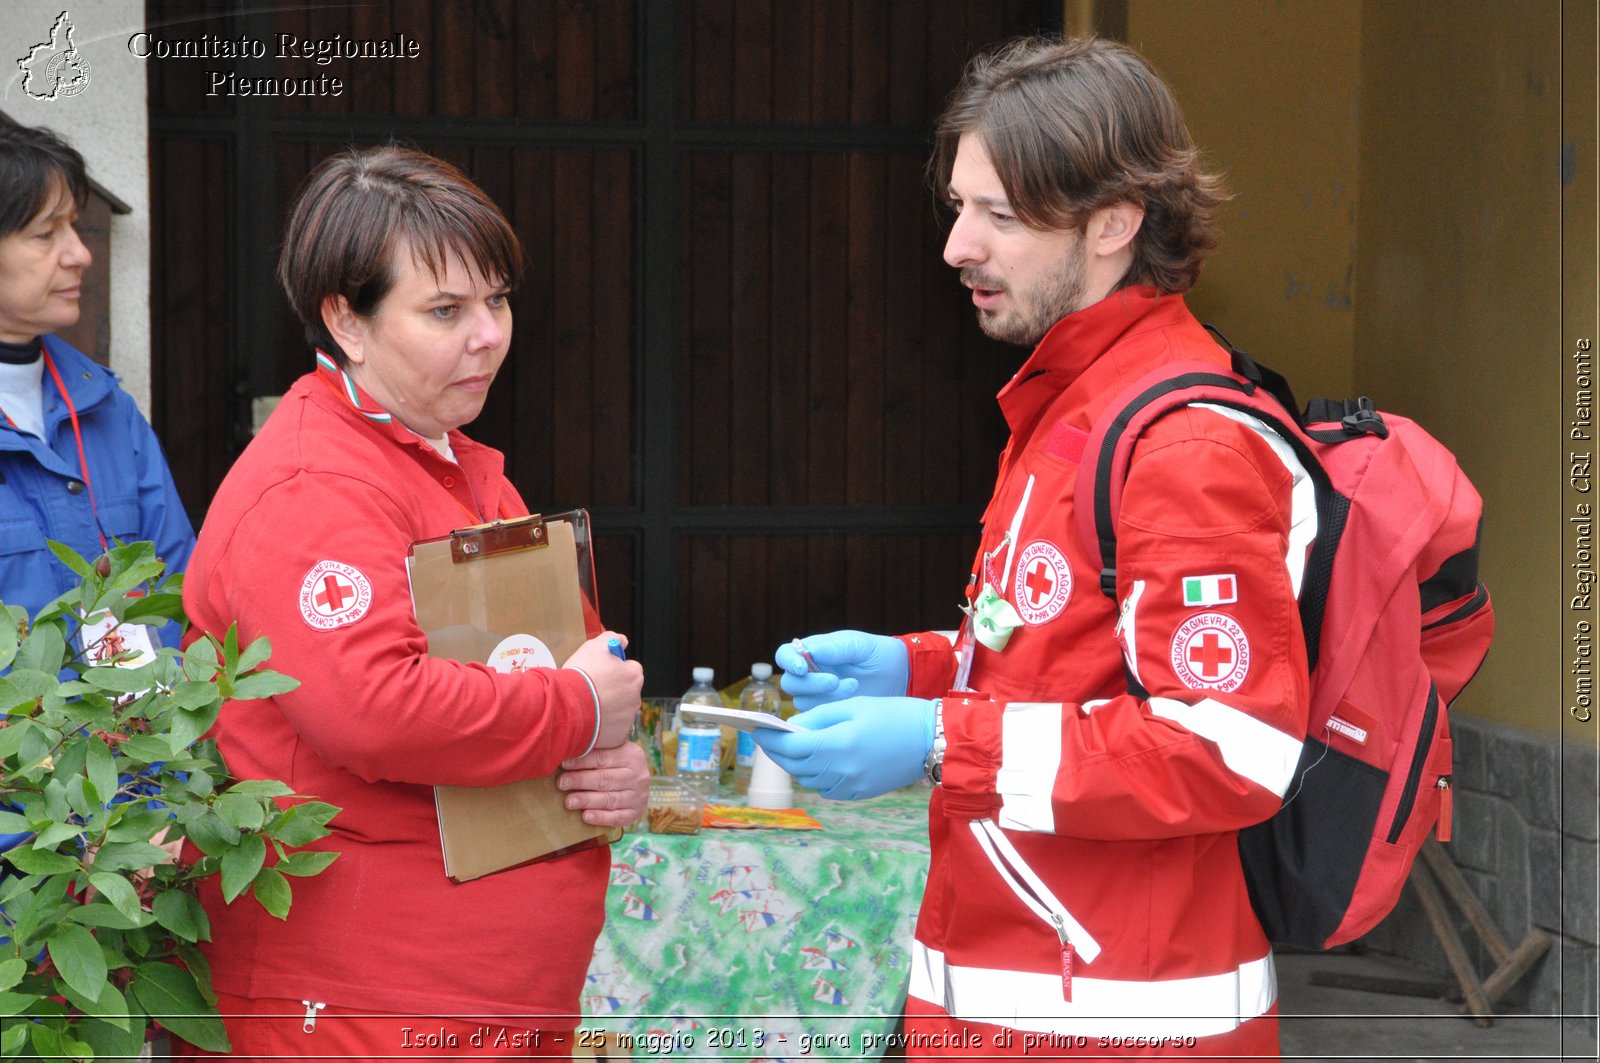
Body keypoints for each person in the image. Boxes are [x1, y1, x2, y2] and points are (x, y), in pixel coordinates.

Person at [755, 37, 1307, 1059]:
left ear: (1112, 223)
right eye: (959, 207)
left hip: (1120, 1019)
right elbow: (1061, 651)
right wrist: (919, 665)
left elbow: (1229, 748)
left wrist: (934, 739)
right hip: (1027, 997)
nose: (956, 247)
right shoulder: (1075, 407)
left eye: (998, 216)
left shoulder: (1180, 441)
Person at [173, 146, 648, 1058]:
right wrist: (578, 707)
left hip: (480, 997)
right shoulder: (314, 483)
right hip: (355, 1001)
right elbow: (373, 708)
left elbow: (561, 669)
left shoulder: (451, 459)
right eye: (445, 311)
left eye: (497, 300)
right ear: (345, 322)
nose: (489, 334)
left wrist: (610, 760)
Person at [0, 123, 194, 627]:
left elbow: (179, 590)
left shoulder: (107, 407)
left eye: (74, 226)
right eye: (46, 234)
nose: (80, 254)